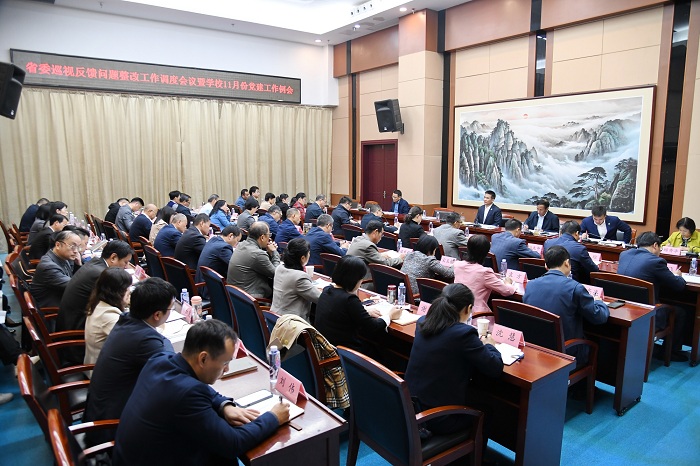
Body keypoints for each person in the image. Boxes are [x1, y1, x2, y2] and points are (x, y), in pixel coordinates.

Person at [112, 319, 289, 466]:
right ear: (203, 358)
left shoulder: (160, 360)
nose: (227, 369)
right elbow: (233, 443)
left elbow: (202, 390)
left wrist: (224, 405)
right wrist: (273, 417)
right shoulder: (188, 394)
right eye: (225, 363)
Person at [82, 277, 178, 447]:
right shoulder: (144, 339)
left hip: (102, 411)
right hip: (112, 427)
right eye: (171, 308)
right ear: (157, 315)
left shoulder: (126, 319)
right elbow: (173, 371)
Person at [404, 283, 503, 435]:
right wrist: (490, 345)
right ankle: (471, 451)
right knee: (487, 410)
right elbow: (495, 367)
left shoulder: (423, 322)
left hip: (410, 406)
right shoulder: (464, 334)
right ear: (468, 309)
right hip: (437, 417)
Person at [523, 246, 609, 366]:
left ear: (546, 265)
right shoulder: (575, 287)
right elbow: (599, 317)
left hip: (536, 349)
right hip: (566, 353)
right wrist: (599, 302)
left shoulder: (530, 285)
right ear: (567, 263)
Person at [618, 231, 690, 361]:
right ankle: (670, 352)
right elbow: (678, 285)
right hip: (646, 313)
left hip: (624, 308)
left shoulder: (624, 254)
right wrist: (678, 276)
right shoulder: (656, 261)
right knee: (681, 312)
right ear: (655, 245)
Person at [315, 255, 401, 355]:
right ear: (354, 279)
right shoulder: (349, 300)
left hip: (326, 348)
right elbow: (373, 327)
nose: (361, 282)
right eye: (361, 279)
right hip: (344, 354)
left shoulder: (327, 290)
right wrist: (390, 315)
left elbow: (342, 308)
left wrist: (363, 309)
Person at [453, 234, 515, 313]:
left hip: (456, 309)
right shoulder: (484, 272)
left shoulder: (457, 264)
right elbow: (507, 291)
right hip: (476, 314)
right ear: (487, 252)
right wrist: (508, 283)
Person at [84, 267, 133, 366]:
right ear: (117, 292)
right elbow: (130, 344)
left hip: (101, 360)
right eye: (127, 288)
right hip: (102, 369)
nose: (129, 291)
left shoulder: (99, 301)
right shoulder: (108, 316)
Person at [270, 238, 321, 322]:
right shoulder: (299, 277)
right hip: (292, 323)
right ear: (303, 258)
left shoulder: (279, 268)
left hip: (274, 317)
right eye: (309, 253)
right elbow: (320, 298)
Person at [227, 221, 280, 299]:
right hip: (249, 299)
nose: (269, 238)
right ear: (262, 237)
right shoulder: (258, 254)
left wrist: (269, 253)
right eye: (269, 235)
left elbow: (257, 261)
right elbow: (276, 273)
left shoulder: (241, 244)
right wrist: (274, 252)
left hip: (235, 294)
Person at [29, 230, 81, 309]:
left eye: (78, 247)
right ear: (58, 245)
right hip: (54, 308)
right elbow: (75, 286)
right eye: (72, 246)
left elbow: (73, 278)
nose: (76, 251)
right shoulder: (48, 267)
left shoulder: (62, 257)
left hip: (63, 297)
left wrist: (78, 265)